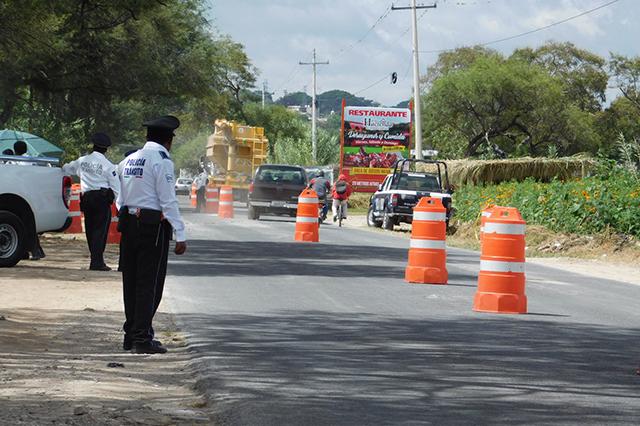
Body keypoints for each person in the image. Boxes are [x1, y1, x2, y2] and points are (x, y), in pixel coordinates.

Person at [117, 115, 187, 354]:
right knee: (150, 283)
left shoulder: (128, 160)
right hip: (152, 227)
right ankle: (142, 338)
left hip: (128, 224)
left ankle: (131, 334)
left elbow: (120, 199)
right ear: (169, 141)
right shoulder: (162, 161)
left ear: (147, 137)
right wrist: (180, 233)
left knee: (131, 281)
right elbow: (168, 200)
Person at [63, 133, 120, 271]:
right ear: (106, 149)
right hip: (101, 199)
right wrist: (120, 207)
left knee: (90, 229)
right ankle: (97, 262)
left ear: (93, 146)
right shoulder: (108, 166)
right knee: (100, 231)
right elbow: (117, 189)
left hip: (87, 198)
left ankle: (96, 260)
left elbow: (66, 168)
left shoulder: (82, 161)